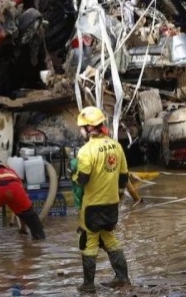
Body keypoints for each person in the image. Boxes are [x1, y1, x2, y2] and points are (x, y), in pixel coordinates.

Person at [74, 106, 131, 292]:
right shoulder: (116, 146)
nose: (81, 130)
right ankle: (122, 278)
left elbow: (82, 179)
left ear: (90, 128)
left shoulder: (85, 151)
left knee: (89, 242)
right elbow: (123, 176)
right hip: (112, 204)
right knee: (109, 237)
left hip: (93, 207)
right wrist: (119, 196)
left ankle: (88, 285)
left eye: (82, 127)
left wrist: (72, 174)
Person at [0, 160, 46, 241]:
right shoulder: (12, 173)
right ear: (6, 167)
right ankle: (39, 239)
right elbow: (23, 209)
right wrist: (23, 229)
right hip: (14, 189)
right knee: (29, 215)